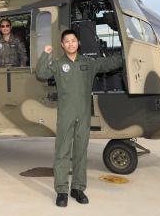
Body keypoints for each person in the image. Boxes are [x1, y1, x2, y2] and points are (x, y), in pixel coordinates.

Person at [36, 30, 122, 207]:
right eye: (66, 41)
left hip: (83, 114)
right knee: (62, 152)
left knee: (81, 151)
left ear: (78, 43)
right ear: (62, 45)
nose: (70, 43)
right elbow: (41, 73)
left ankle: (77, 188)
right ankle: (61, 190)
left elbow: (108, 64)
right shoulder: (59, 64)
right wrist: (45, 54)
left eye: (73, 40)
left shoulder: (88, 63)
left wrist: (125, 56)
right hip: (66, 114)